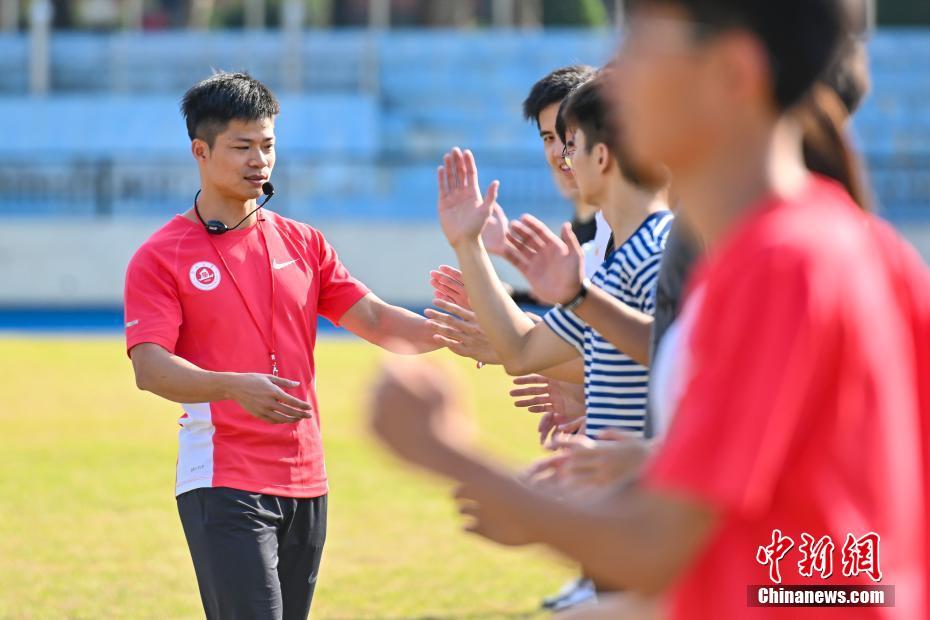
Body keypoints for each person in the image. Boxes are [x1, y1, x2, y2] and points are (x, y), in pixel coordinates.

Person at [369, 0, 930, 618]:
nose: (613, 77)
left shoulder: (781, 264)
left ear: (732, 74)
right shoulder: (837, 248)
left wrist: (444, 453)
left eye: (638, 44)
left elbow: (657, 546)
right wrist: (648, 463)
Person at [124, 72, 440, 620]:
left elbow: (376, 319)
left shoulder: (304, 241)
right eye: (242, 146)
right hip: (223, 479)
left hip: (306, 478)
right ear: (200, 150)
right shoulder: (161, 256)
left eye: (268, 145)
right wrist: (232, 387)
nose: (260, 160)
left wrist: (462, 329)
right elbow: (150, 369)